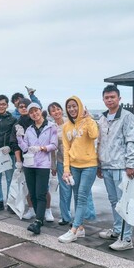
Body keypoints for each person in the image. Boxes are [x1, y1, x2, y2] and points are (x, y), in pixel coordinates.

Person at [97, 84, 134, 251]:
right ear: (103, 99)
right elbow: (99, 142)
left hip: (121, 167)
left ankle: (126, 238)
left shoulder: (127, 117)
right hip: (106, 166)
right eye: (106, 97)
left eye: (112, 97)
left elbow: (131, 141)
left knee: (124, 202)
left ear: (119, 98)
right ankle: (117, 230)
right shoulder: (102, 118)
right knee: (114, 201)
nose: (109, 100)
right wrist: (99, 164)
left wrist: (130, 165)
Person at [58, 96, 99, 243]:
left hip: (89, 165)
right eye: (69, 107)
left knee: (82, 197)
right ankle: (80, 228)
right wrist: (66, 169)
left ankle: (73, 230)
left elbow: (94, 135)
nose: (72, 109)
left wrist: (88, 119)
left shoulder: (89, 122)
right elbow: (66, 149)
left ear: (80, 106)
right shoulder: (66, 126)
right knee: (76, 197)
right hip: (74, 166)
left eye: (74, 106)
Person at [48, 102, 96, 226]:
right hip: (61, 161)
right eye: (53, 111)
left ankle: (83, 216)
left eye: (58, 109)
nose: (56, 112)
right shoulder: (52, 128)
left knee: (81, 190)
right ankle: (65, 216)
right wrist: (53, 166)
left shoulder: (70, 122)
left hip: (77, 161)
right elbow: (53, 149)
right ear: (50, 114)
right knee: (65, 191)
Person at [16, 102, 57, 235]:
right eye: (31, 112)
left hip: (43, 165)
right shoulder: (29, 129)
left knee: (41, 193)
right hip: (29, 165)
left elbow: (54, 145)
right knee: (32, 193)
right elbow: (25, 148)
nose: (34, 113)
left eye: (36, 110)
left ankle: (38, 221)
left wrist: (42, 148)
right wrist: (19, 136)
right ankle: (38, 218)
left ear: (41, 110)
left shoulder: (51, 127)